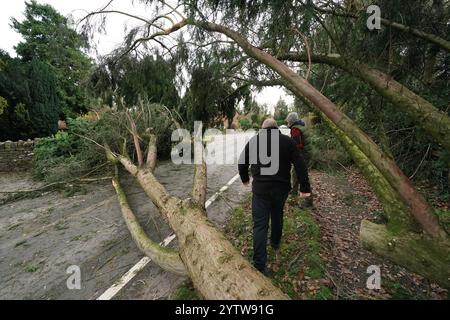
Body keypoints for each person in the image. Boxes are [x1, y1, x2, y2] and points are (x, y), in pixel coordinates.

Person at [238, 118, 311, 273]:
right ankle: (275, 243)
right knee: (277, 215)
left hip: (261, 191)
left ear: (263, 129)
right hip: (281, 189)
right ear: (276, 128)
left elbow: (242, 162)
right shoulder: (288, 141)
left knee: (260, 225)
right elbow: (300, 164)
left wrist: (245, 179)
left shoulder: (255, 141)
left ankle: (259, 264)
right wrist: (304, 187)